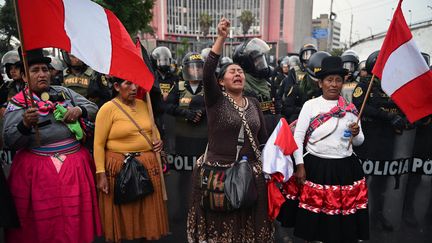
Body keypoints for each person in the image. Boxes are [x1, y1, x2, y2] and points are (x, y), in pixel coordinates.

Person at [187, 18, 273, 242]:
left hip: (250, 177)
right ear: (221, 81)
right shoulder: (216, 101)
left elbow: (262, 139)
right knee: (223, 228)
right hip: (220, 176)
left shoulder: (253, 103)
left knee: (248, 225)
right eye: (231, 72)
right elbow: (207, 72)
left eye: (240, 72)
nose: (237, 74)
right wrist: (221, 38)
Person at [3, 48, 101, 243]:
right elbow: (9, 141)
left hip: (74, 169)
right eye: (35, 70)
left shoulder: (64, 92)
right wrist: (24, 125)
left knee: (75, 221)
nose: (42, 74)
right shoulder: (17, 104)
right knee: (42, 226)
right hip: (37, 174)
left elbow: (93, 108)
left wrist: (79, 109)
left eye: (45, 69)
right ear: (23, 76)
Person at [280, 56, 369, 243]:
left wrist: (357, 132)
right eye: (329, 80)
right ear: (320, 83)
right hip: (316, 167)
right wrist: (300, 165)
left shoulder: (351, 109)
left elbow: (360, 142)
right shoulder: (310, 106)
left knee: (340, 220)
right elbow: (298, 137)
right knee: (315, 221)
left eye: (338, 80)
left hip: (345, 169)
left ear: (343, 82)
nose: (334, 84)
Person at [94, 77, 169, 242]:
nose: (134, 87)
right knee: (124, 217)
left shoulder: (144, 105)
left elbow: (153, 131)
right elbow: (98, 144)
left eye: (136, 83)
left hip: (146, 168)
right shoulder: (107, 109)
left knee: (146, 217)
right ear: (116, 86)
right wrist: (101, 174)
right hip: (119, 170)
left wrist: (158, 142)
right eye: (128, 83)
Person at [352, 50, 410, 232]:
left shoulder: (394, 86)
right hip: (369, 139)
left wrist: (402, 118)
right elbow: (360, 106)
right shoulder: (365, 84)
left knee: (382, 181)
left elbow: (402, 107)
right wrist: (387, 116)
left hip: (388, 139)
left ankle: (378, 214)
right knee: (363, 179)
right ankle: (357, 215)